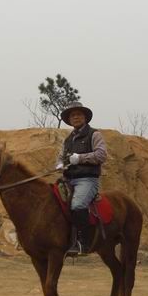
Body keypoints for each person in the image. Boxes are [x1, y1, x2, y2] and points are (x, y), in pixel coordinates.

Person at [56, 101, 108, 257]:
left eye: (79, 114)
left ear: (85, 117)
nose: (76, 117)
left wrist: (80, 158)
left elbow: (101, 155)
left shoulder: (95, 134)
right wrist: (60, 164)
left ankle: (82, 243)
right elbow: (60, 157)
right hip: (68, 179)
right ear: (69, 120)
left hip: (87, 179)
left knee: (78, 205)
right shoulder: (67, 140)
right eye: (73, 115)